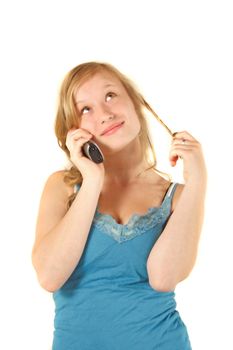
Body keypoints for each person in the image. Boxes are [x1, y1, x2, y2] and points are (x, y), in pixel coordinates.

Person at [31, 61, 207, 350]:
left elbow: (164, 278)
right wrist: (92, 180)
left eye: (110, 95)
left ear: (136, 102)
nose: (105, 114)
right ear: (74, 129)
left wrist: (198, 181)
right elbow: (50, 275)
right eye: (85, 109)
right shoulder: (62, 187)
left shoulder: (175, 196)